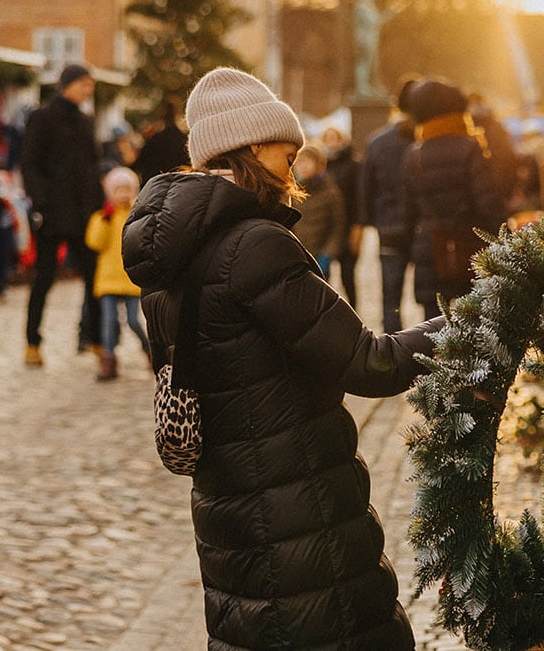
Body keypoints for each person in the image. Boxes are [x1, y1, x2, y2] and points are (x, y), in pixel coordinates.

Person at [121, 67, 446, 648]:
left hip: (231, 518)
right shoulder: (257, 245)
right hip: (301, 519)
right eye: (284, 146)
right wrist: (473, 320)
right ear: (246, 146)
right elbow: (372, 363)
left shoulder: (168, 261)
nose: (296, 158)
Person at [20, 63, 104, 367]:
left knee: (94, 278)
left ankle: (95, 339)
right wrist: (40, 205)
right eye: (84, 84)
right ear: (67, 85)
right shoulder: (42, 118)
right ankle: (32, 342)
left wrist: (98, 205)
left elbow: (93, 167)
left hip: (83, 214)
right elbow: (29, 164)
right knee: (44, 277)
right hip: (52, 214)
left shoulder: (85, 121)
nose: (88, 90)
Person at [400, 77, 507, 311]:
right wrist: (504, 239)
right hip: (470, 247)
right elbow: (489, 203)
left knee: (431, 327)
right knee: (478, 321)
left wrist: (410, 251)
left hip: (430, 251)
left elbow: (408, 212)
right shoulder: (469, 147)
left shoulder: (413, 154)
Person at [359, 77, 419, 332]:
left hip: (389, 227)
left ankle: (394, 353)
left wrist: (369, 222)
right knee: (432, 299)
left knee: (390, 299)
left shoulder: (377, 142)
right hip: (421, 228)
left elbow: (365, 189)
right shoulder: (423, 140)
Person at [85, 166, 146, 382]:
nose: (122, 194)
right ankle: (108, 360)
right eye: (118, 189)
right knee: (109, 321)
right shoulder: (103, 217)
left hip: (130, 280)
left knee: (134, 321)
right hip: (108, 280)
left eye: (126, 189)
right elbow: (94, 242)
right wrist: (106, 220)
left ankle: (149, 350)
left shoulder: (137, 215)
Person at [318, 125, 362, 304]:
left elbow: (359, 197)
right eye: (327, 138)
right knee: (323, 275)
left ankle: (354, 311)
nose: (331, 142)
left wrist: (358, 228)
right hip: (326, 228)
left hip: (348, 225)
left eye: (333, 138)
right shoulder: (321, 165)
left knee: (348, 275)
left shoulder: (353, 164)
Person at [290, 143, 345, 278]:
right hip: (296, 255)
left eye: (308, 162)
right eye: (300, 162)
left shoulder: (330, 192)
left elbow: (338, 226)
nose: (303, 166)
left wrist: (328, 253)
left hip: (320, 256)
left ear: (318, 165)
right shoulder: (290, 192)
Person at [133, 100, 189, 185]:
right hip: (178, 186)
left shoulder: (154, 140)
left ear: (162, 115)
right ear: (177, 115)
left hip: (155, 186)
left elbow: (140, 164)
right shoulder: (184, 140)